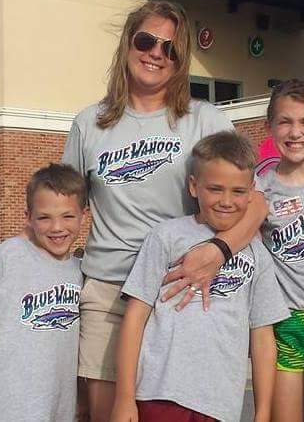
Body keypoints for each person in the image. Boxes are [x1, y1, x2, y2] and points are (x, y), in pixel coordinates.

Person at [62, 0, 267, 421]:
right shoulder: (89, 123)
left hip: (181, 291)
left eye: (170, 48)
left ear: (180, 59)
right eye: (146, 41)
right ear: (128, 43)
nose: (156, 53)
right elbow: (63, 206)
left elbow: (256, 203)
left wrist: (218, 251)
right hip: (110, 294)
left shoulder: (204, 119)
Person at [110, 131, 290, 422]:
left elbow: (262, 338)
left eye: (238, 191)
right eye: (215, 189)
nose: (226, 201)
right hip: (159, 394)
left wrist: (263, 412)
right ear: (194, 186)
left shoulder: (258, 255)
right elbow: (135, 316)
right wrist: (124, 398)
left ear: (252, 192)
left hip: (221, 406)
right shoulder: (166, 237)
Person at [256, 80, 304, 422]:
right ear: (270, 126)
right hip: (289, 322)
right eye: (285, 121)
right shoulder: (258, 186)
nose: (295, 132)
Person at [0, 163, 87, 421]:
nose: (57, 227)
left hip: (58, 408)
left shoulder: (81, 271)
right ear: (28, 217)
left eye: (67, 216)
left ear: (83, 215)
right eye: (44, 218)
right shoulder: (6, 257)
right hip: (7, 406)